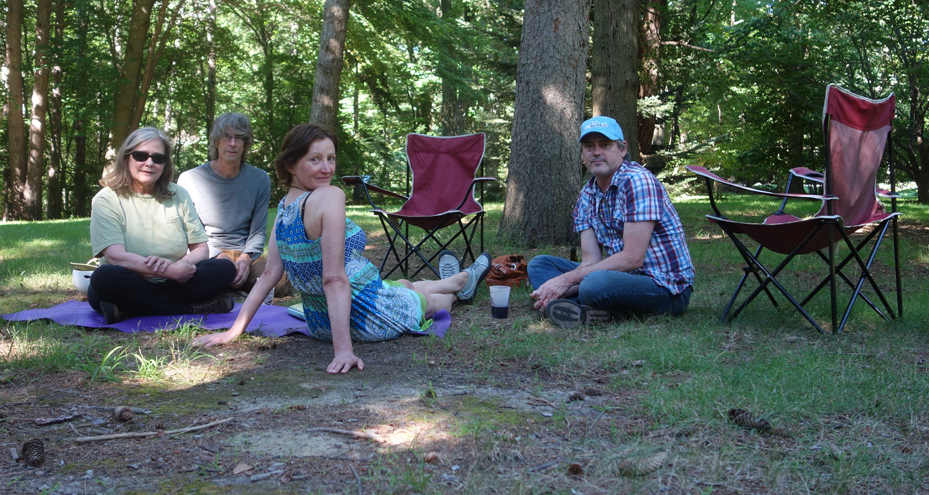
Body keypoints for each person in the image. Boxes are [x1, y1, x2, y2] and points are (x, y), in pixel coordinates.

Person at [194, 123, 491, 373]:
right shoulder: (329, 196)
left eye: (331, 159)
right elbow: (333, 278)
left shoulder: (285, 208)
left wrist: (233, 331)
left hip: (321, 322)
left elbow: (269, 273)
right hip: (371, 317)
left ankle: (456, 278)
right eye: (315, 160)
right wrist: (344, 351)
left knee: (402, 284)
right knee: (438, 303)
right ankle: (459, 287)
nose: (327, 169)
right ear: (290, 164)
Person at [529, 116, 694, 327]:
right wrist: (556, 285)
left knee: (594, 283)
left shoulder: (637, 181)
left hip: (664, 287)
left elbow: (633, 259)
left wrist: (565, 281)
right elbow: (591, 262)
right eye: (589, 146)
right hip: (618, 278)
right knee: (540, 264)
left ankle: (576, 304)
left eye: (604, 145)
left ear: (622, 149)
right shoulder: (587, 194)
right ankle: (583, 309)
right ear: (582, 154)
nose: (596, 152)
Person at [87, 127, 236, 324]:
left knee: (225, 268)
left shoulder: (178, 194)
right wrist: (167, 271)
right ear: (126, 158)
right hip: (129, 280)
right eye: (141, 156)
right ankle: (188, 309)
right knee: (104, 277)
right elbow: (115, 256)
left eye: (158, 158)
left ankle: (130, 309)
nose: (149, 163)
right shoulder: (106, 199)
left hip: (176, 282)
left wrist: (182, 265)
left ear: (165, 164)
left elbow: (200, 249)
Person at [178, 112, 291, 299]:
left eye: (239, 138)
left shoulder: (259, 179)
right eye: (226, 137)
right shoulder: (190, 179)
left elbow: (258, 230)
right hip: (207, 255)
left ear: (246, 144)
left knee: (278, 283)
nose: (232, 143)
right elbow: (189, 233)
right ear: (216, 141)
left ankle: (232, 286)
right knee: (204, 276)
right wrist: (218, 258)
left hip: (245, 255)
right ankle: (226, 286)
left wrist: (246, 258)